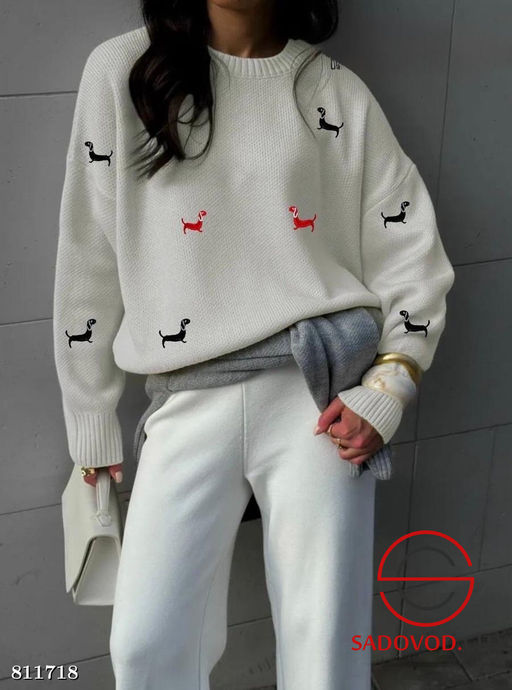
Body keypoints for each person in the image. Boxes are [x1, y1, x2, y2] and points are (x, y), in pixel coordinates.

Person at [52, 0, 455, 688]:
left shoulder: (333, 91)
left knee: (325, 649)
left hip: (322, 398)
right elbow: (87, 253)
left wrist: (389, 386)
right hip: (187, 396)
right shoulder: (124, 72)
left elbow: (411, 252)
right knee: (146, 645)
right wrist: (91, 417)